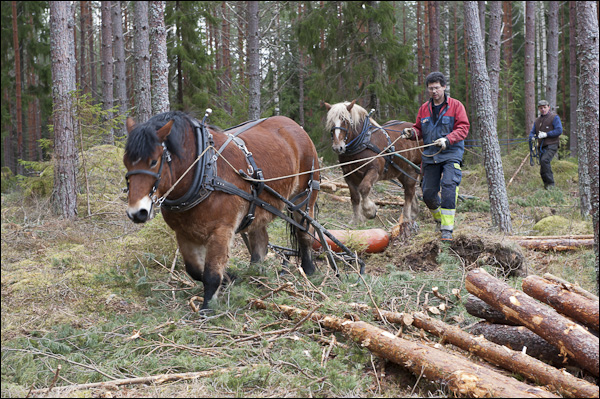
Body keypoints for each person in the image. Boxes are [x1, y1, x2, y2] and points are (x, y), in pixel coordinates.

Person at [399, 72, 469, 241]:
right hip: (430, 156)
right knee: (428, 194)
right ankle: (440, 219)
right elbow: (419, 129)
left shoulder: (456, 106)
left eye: (437, 88)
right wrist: (411, 132)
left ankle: (447, 229)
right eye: (430, 89)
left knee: (448, 187)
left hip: (451, 154)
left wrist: (448, 139)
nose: (434, 91)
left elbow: (463, 128)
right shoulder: (424, 108)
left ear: (444, 87)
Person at [528, 99, 563, 190]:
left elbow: (559, 130)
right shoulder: (537, 121)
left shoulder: (554, 117)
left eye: (544, 107)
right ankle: (546, 187)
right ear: (539, 109)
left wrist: (547, 134)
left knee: (544, 161)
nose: (543, 109)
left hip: (552, 144)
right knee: (542, 166)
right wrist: (532, 137)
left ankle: (551, 186)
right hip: (541, 146)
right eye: (541, 108)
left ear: (549, 107)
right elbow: (532, 132)